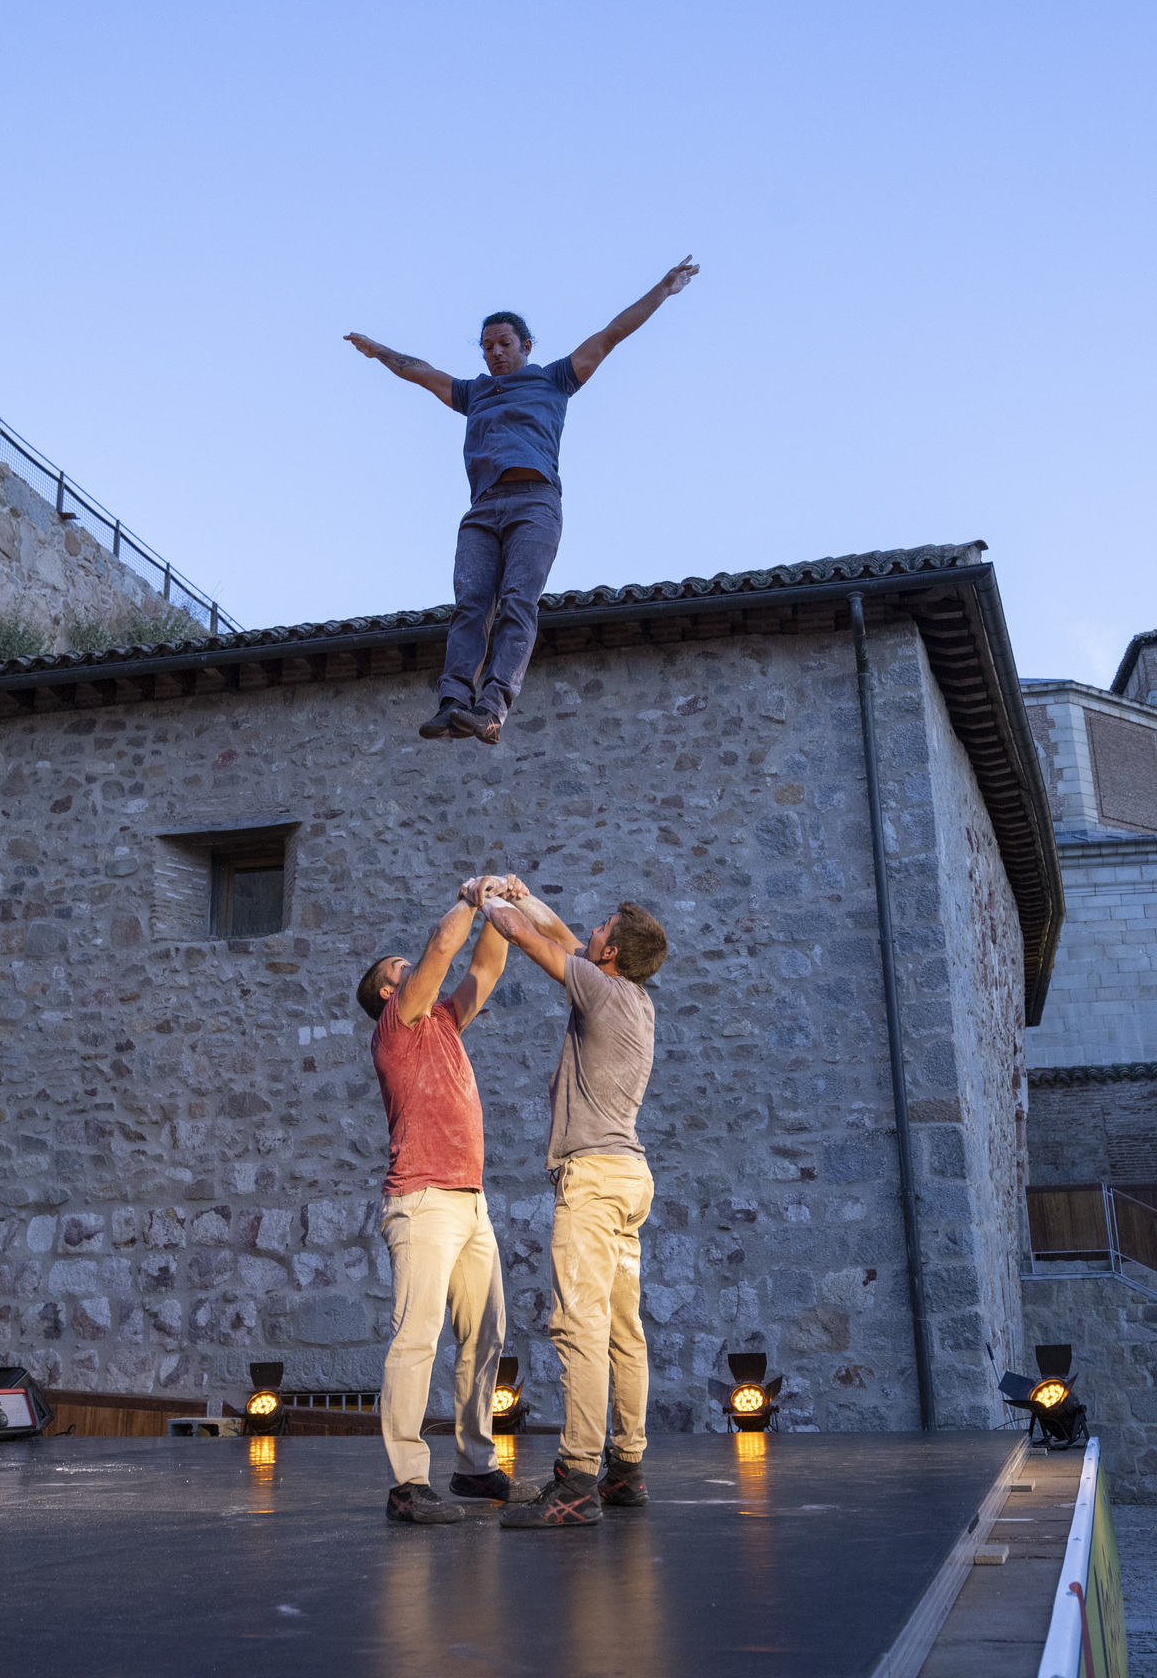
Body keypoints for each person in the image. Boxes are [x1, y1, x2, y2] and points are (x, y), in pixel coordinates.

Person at [345, 257, 700, 747]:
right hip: (483, 510)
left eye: (504, 344)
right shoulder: (472, 393)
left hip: (534, 504)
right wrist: (378, 350)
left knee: (516, 603)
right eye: (487, 347)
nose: (495, 353)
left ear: (526, 346)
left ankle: (491, 709)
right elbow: (420, 372)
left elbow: (613, 333)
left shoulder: (555, 379)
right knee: (471, 605)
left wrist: (663, 289)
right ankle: (454, 704)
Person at [475, 880, 668, 1530]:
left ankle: (580, 1478)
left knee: (577, 1327)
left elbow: (534, 942)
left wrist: (487, 900)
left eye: (604, 926)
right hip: (629, 1179)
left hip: (591, 1181)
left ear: (611, 953)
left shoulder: (600, 989)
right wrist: (524, 896)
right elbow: (558, 936)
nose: (591, 928)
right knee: (623, 1332)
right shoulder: (633, 999)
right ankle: (625, 1471)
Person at [356, 876, 540, 1525]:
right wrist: (468, 899)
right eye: (399, 970)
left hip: (469, 1201)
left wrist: (501, 907)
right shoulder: (397, 1023)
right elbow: (440, 949)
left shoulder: (444, 1020)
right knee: (417, 1338)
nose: (413, 970)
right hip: (422, 1200)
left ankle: (474, 1468)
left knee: (486, 1334)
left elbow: (485, 966)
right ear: (388, 990)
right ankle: (408, 1482)